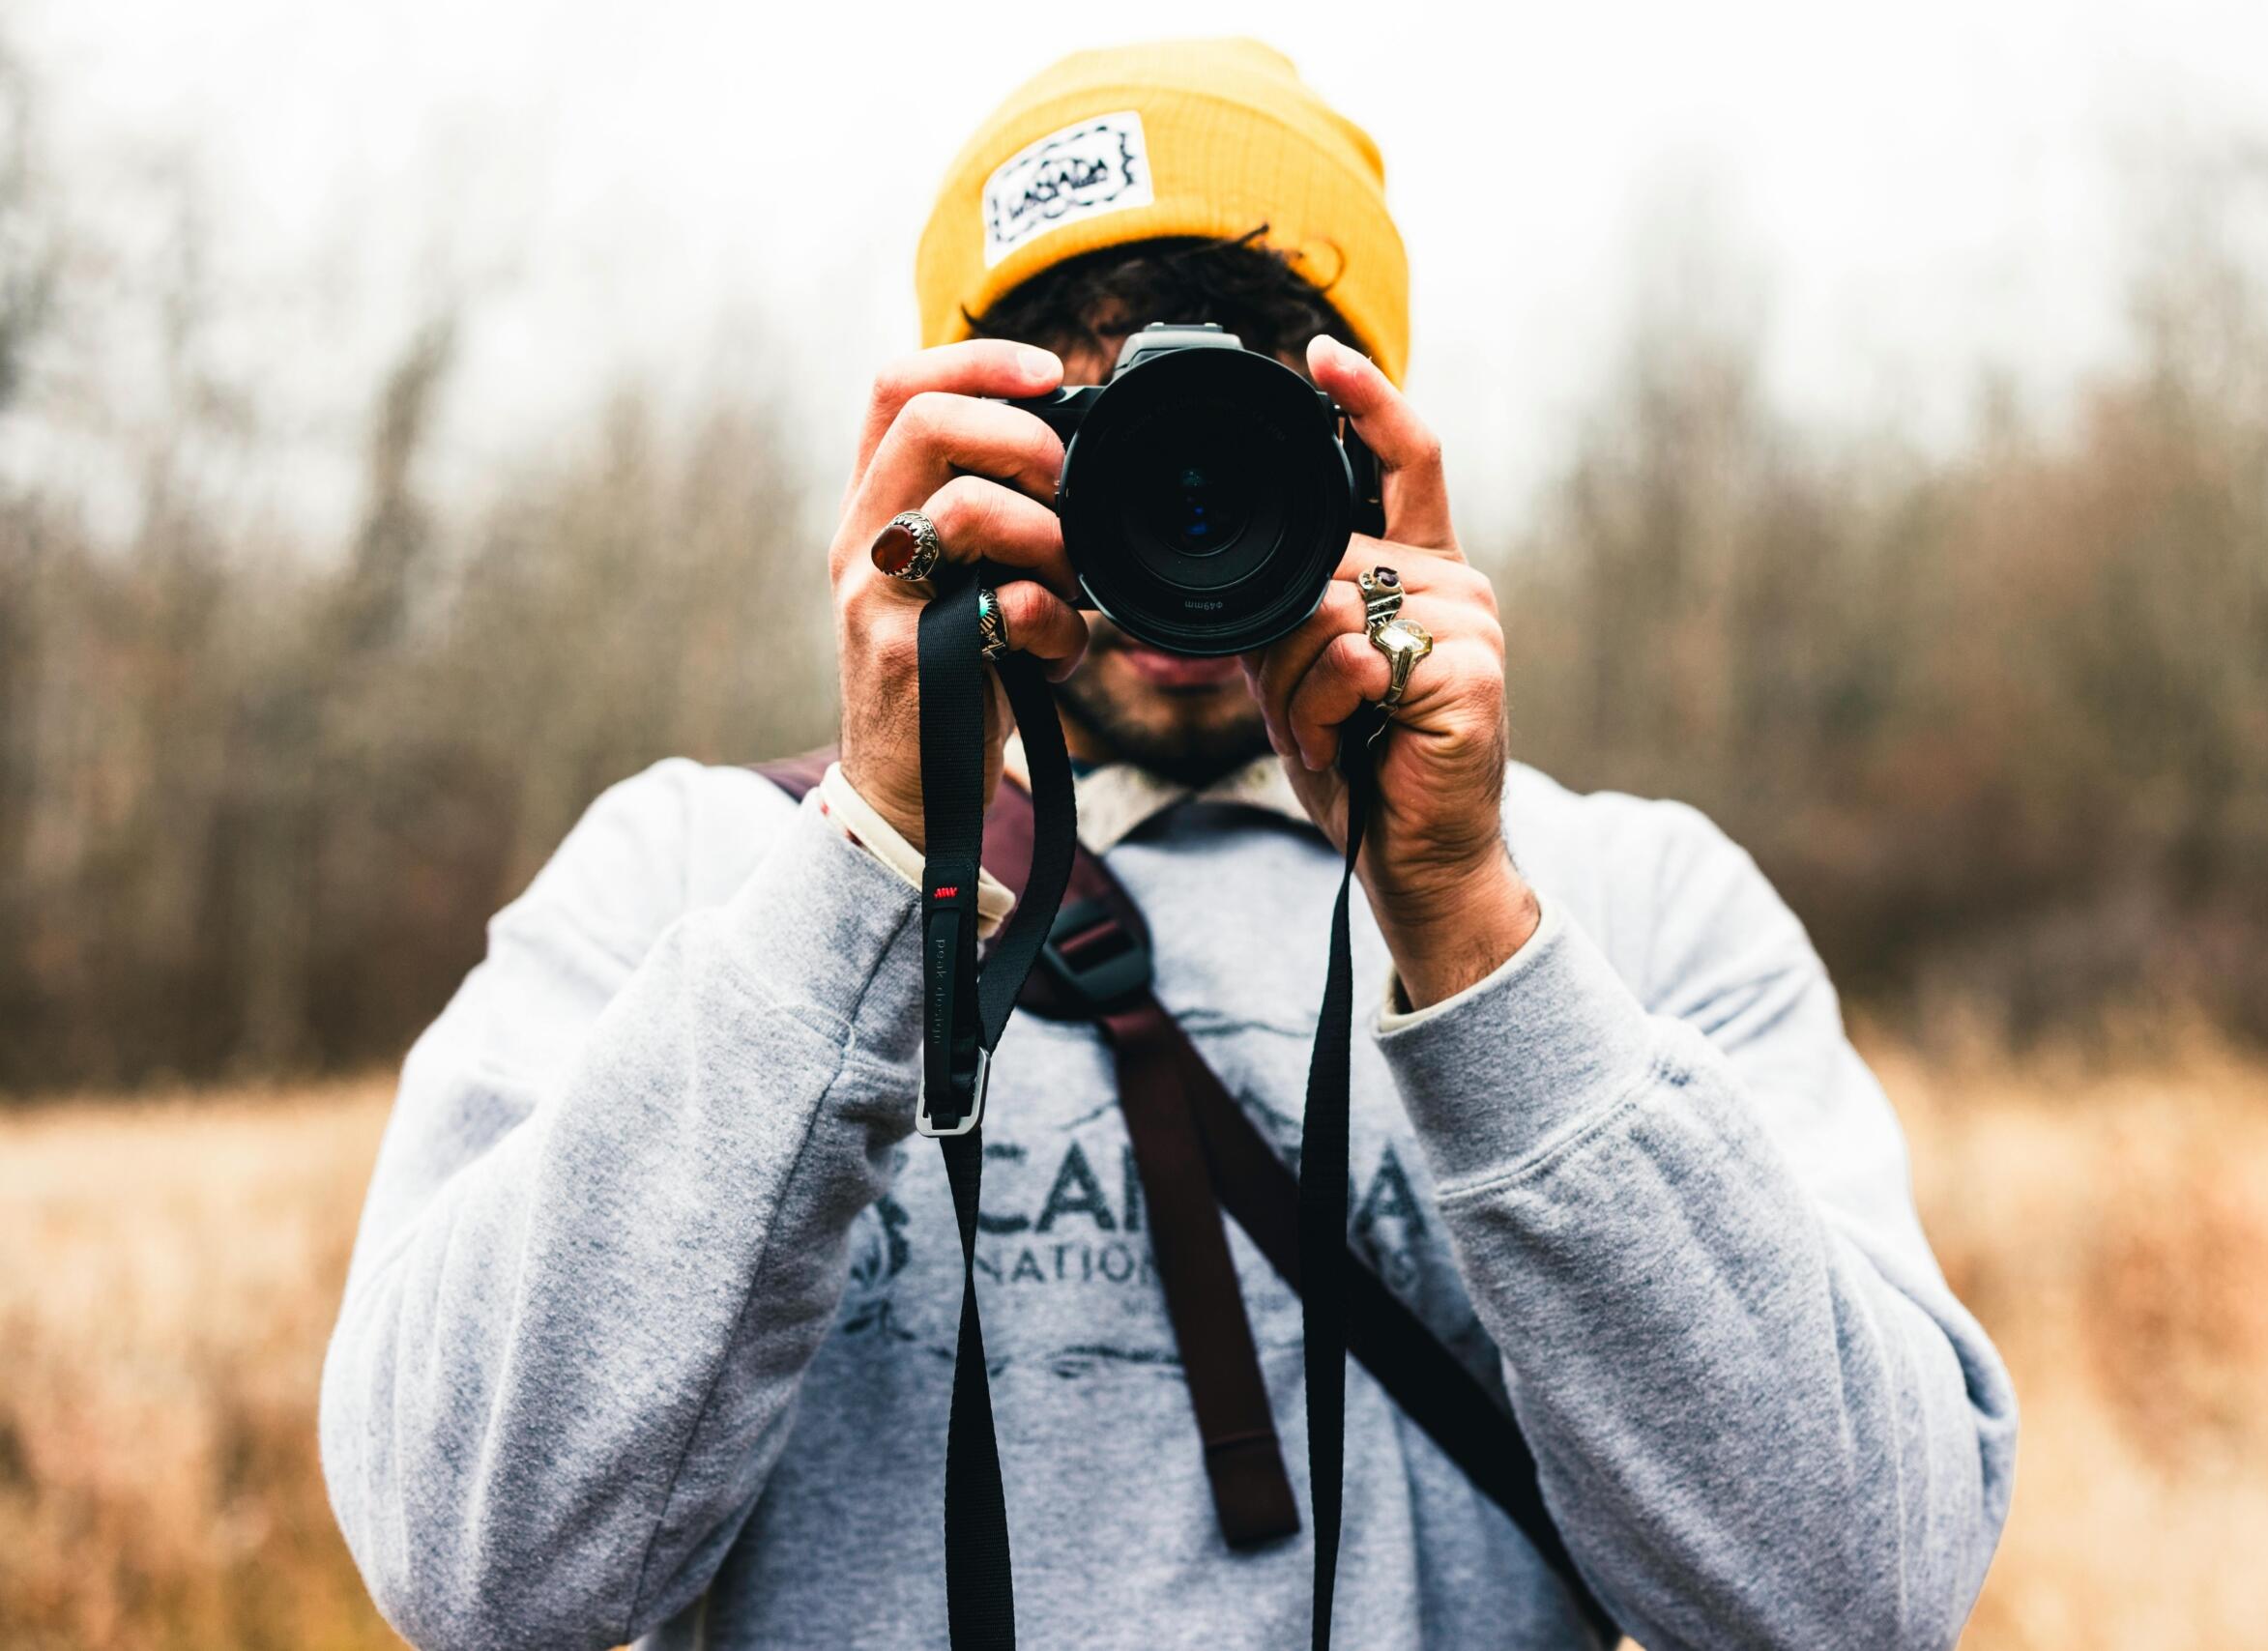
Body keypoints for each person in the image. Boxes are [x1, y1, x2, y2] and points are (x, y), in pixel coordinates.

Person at [319, 37, 2017, 1651]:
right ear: (948, 444)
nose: (1168, 491)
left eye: (1248, 412)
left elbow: (1859, 1599)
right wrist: (874, 852)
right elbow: (475, 1573)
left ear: (1370, 450)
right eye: (1091, 412)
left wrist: (1470, 926)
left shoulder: (1628, 906)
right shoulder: (694, 879)